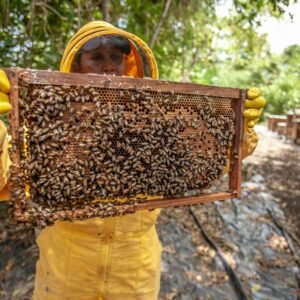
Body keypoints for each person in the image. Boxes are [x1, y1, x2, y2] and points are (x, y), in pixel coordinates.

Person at [0, 21, 266, 300]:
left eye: (116, 58)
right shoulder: (50, 128)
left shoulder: (157, 123)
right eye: (97, 58)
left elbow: (205, 160)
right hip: (66, 270)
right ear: (76, 66)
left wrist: (239, 131)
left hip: (134, 271)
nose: (108, 67)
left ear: (127, 65)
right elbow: (7, 178)